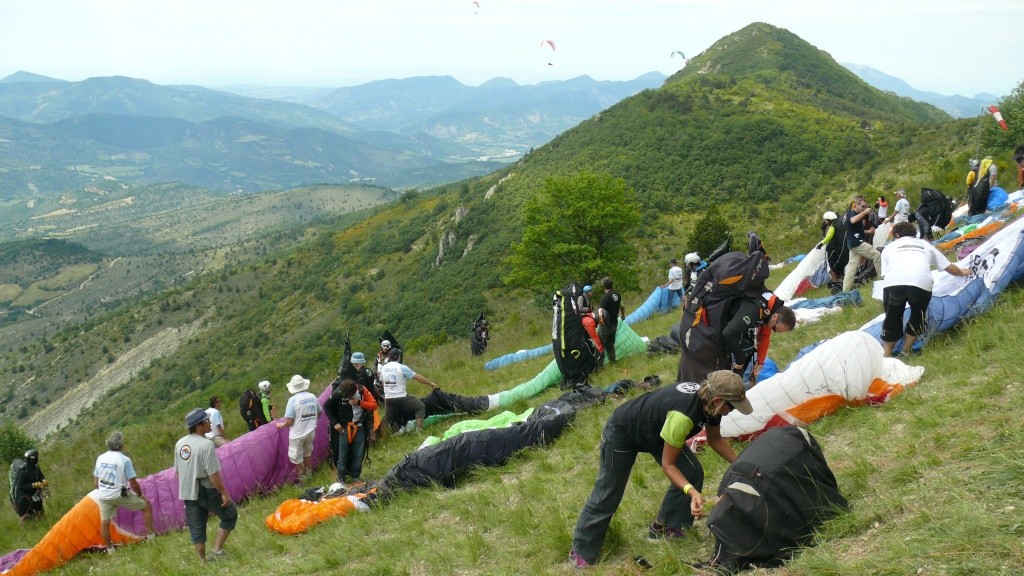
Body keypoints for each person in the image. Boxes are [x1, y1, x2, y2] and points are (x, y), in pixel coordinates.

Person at [568, 371, 754, 568]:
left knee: (691, 472)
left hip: (657, 433)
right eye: (732, 407)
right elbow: (669, 465)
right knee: (608, 492)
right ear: (717, 400)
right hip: (622, 432)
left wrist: (740, 464)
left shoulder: (711, 405)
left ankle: (666, 528)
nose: (732, 411)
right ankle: (581, 552)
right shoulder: (684, 415)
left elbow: (715, 439)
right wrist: (692, 493)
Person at [878, 222, 973, 357]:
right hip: (921, 282)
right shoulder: (925, 245)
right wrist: (962, 272)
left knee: (892, 317)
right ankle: (906, 351)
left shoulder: (889, 247)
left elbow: (885, 274)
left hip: (894, 282)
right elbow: (948, 266)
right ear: (913, 234)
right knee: (918, 315)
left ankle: (886, 356)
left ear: (896, 235)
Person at [174, 408, 237, 563]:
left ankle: (203, 562)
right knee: (230, 515)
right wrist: (223, 493)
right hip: (206, 489)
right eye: (207, 422)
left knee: (197, 527)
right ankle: (217, 550)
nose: (210, 424)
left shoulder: (180, 444)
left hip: (187, 490)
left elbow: (177, 472)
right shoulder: (206, 444)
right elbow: (213, 474)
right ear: (198, 426)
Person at [93, 431, 154, 551]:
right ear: (121, 445)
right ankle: (151, 537)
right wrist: (141, 495)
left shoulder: (100, 458)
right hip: (119, 494)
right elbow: (134, 483)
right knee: (146, 506)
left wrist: (105, 492)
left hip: (103, 495)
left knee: (104, 522)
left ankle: (110, 550)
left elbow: (96, 483)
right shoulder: (124, 460)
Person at [720, 295, 796, 385]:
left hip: (731, 330)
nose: (772, 330)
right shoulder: (755, 309)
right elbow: (728, 334)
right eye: (774, 328)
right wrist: (740, 359)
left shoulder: (769, 311)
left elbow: (764, 336)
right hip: (718, 330)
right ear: (775, 317)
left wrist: (760, 361)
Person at [324, 379, 378, 485]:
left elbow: (374, 405)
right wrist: (334, 423)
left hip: (359, 426)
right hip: (343, 428)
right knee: (342, 454)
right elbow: (327, 406)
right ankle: (341, 478)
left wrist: (359, 403)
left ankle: (355, 477)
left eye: (349, 396)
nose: (347, 397)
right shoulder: (338, 393)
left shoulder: (362, 390)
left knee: (358, 453)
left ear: (354, 391)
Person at [378, 348, 439, 433]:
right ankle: (419, 432)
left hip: (388, 398)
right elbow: (417, 377)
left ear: (389, 357)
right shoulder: (401, 367)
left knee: (387, 418)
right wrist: (431, 383)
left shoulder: (383, 369)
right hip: (401, 397)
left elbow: (383, 384)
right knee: (420, 407)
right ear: (398, 357)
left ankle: (382, 437)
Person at [276, 374, 321, 480]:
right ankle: (309, 475)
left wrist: (281, 425)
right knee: (307, 453)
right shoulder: (312, 397)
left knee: (296, 457)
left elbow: (290, 421)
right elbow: (319, 413)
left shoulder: (293, 400)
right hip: (310, 431)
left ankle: (303, 479)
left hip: (297, 434)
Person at [843, 195, 883, 293]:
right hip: (857, 243)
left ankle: (845, 291)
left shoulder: (855, 214)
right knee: (876, 255)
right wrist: (865, 212)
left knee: (852, 267)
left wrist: (868, 231)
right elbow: (853, 220)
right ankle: (881, 279)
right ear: (856, 205)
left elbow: (856, 229)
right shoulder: (852, 213)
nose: (864, 208)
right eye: (863, 206)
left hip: (853, 243)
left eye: (865, 207)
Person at [9, 449, 46, 524]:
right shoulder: (23, 470)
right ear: (33, 459)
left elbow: (40, 475)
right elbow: (20, 486)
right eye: (37, 457)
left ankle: (41, 523)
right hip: (23, 497)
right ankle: (25, 531)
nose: (38, 458)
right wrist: (34, 485)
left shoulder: (35, 466)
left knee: (40, 511)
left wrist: (44, 480)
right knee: (25, 517)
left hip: (34, 493)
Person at [597, 277, 626, 364]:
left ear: (604, 286)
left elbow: (600, 310)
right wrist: (623, 315)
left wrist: (601, 320)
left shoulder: (604, 298)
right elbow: (622, 306)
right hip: (614, 322)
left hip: (606, 324)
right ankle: (613, 361)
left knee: (600, 343)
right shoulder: (617, 295)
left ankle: (600, 364)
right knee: (611, 343)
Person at [817, 211, 849, 281]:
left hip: (836, 248)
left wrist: (821, 244)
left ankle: (835, 281)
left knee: (832, 265)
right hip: (845, 248)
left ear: (829, 220)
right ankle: (843, 277)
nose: (825, 222)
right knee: (842, 264)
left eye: (826, 220)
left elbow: (828, 237)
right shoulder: (841, 222)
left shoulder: (833, 226)